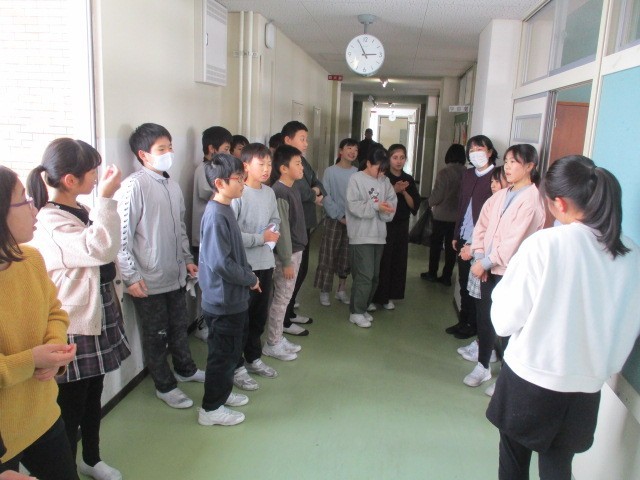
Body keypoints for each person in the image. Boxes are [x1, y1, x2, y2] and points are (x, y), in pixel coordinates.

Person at [486, 155, 640, 479]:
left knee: (513, 465)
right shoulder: (631, 254)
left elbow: (504, 320)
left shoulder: (545, 245)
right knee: (558, 468)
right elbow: (627, 327)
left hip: (529, 383)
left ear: (560, 203)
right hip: (585, 390)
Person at [27, 139, 130, 480]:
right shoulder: (49, 221)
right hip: (75, 324)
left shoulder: (79, 208)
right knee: (71, 406)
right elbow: (99, 248)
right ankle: (67, 470)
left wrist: (101, 205)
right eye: (92, 171)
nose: (97, 177)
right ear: (70, 180)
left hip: (98, 314)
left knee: (93, 395)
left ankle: (91, 458)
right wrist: (107, 199)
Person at [115, 123, 204, 409]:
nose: (169, 153)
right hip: (148, 279)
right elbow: (121, 237)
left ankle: (185, 369)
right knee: (156, 335)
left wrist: (188, 260)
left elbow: (179, 228)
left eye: (170, 147)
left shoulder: (172, 186)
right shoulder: (134, 186)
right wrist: (130, 277)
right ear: (143, 154)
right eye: (161, 149)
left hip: (175, 274)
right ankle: (165, 386)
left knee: (179, 326)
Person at [0, 165, 78, 479]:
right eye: (24, 200)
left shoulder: (30, 258)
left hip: (43, 415)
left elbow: (55, 312)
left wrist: (53, 350)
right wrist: (31, 360)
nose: (34, 208)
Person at [464, 144, 546, 389]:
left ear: (530, 166)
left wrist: (485, 263)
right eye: (507, 161)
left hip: (510, 272)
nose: (508, 167)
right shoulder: (500, 196)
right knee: (485, 318)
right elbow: (481, 226)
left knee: (509, 324)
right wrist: (480, 257)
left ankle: (506, 379)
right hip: (487, 268)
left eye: (514, 162)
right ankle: (483, 366)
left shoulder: (532, 200)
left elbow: (512, 241)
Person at [197, 153, 260, 427]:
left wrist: (248, 276)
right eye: (238, 179)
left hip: (233, 298)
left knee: (231, 353)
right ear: (220, 183)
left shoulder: (226, 209)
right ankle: (211, 409)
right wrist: (250, 278)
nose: (243, 183)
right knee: (222, 357)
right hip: (223, 301)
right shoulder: (214, 215)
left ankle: (221, 394)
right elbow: (221, 263)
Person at [230, 143, 281, 391]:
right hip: (244, 268)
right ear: (246, 166)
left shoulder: (269, 193)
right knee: (241, 320)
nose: (266, 169)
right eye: (261, 164)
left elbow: (275, 220)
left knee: (259, 317)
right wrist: (261, 238)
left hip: (265, 263)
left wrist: (271, 233)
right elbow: (231, 234)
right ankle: (236, 367)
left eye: (269, 164)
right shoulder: (237, 194)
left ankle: (253, 358)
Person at [447, 135, 497, 340]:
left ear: (490, 152)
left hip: (480, 241)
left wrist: (475, 242)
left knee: (476, 286)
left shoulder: (495, 177)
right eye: (472, 150)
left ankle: (473, 326)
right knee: (463, 282)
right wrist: (456, 233)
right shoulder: (467, 174)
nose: (476, 153)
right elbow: (461, 205)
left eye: (480, 149)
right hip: (463, 234)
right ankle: (463, 320)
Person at [457, 165, 508, 364]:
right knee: (482, 310)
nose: (493, 185)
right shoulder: (492, 202)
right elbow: (481, 230)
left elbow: (499, 240)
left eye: (497, 181)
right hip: (482, 262)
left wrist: (479, 257)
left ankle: (489, 350)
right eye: (492, 181)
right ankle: (482, 344)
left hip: (493, 266)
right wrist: (473, 249)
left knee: (491, 313)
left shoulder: (513, 204)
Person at [280, 121, 326, 335]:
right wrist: (313, 193)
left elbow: (318, 184)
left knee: (302, 270)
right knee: (292, 274)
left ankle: (289, 313)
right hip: (294, 225)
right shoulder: (285, 163)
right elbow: (302, 191)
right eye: (302, 139)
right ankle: (284, 320)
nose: (306, 143)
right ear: (288, 140)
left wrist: (314, 191)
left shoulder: (302, 161)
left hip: (306, 222)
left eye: (306, 139)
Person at [262, 145, 307, 360]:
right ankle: (273, 343)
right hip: (286, 255)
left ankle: (278, 337)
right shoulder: (280, 191)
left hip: (295, 251)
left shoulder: (292, 187)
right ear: (283, 168)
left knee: (284, 298)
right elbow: (282, 231)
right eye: (297, 164)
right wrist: (287, 261)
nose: (302, 168)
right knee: (281, 299)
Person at [345, 147, 397, 328]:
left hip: (379, 235)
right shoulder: (356, 179)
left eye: (384, 170)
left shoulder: (385, 181)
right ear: (368, 163)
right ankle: (356, 312)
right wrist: (376, 207)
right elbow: (353, 206)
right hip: (361, 235)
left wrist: (386, 209)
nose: (381, 173)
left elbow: (392, 201)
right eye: (378, 169)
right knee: (364, 275)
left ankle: (363, 307)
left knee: (374, 276)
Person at [372, 144, 420, 310]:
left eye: (402, 158)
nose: (399, 161)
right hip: (384, 223)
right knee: (383, 260)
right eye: (395, 157)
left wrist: (404, 191)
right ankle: (376, 295)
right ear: (389, 158)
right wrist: (394, 189)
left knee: (398, 260)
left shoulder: (408, 179)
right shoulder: (382, 176)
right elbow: (376, 199)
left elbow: (414, 205)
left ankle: (390, 296)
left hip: (401, 224)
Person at [313, 138, 359, 307]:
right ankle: (325, 290)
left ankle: (341, 290)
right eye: (349, 148)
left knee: (346, 255)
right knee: (328, 254)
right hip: (334, 219)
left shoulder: (357, 172)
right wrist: (339, 216)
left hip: (353, 219)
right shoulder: (330, 171)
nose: (352, 152)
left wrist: (351, 217)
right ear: (341, 151)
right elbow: (326, 196)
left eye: (355, 149)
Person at [422, 143, 466, 286]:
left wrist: (428, 203)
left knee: (435, 246)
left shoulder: (444, 173)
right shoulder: (467, 173)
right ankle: (447, 276)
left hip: (441, 216)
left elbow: (437, 196)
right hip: (458, 217)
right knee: (451, 248)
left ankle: (432, 273)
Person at [191, 126, 233, 256]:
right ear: (211, 148)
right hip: (204, 238)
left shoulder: (214, 168)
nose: (229, 154)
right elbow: (210, 194)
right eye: (226, 149)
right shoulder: (203, 169)